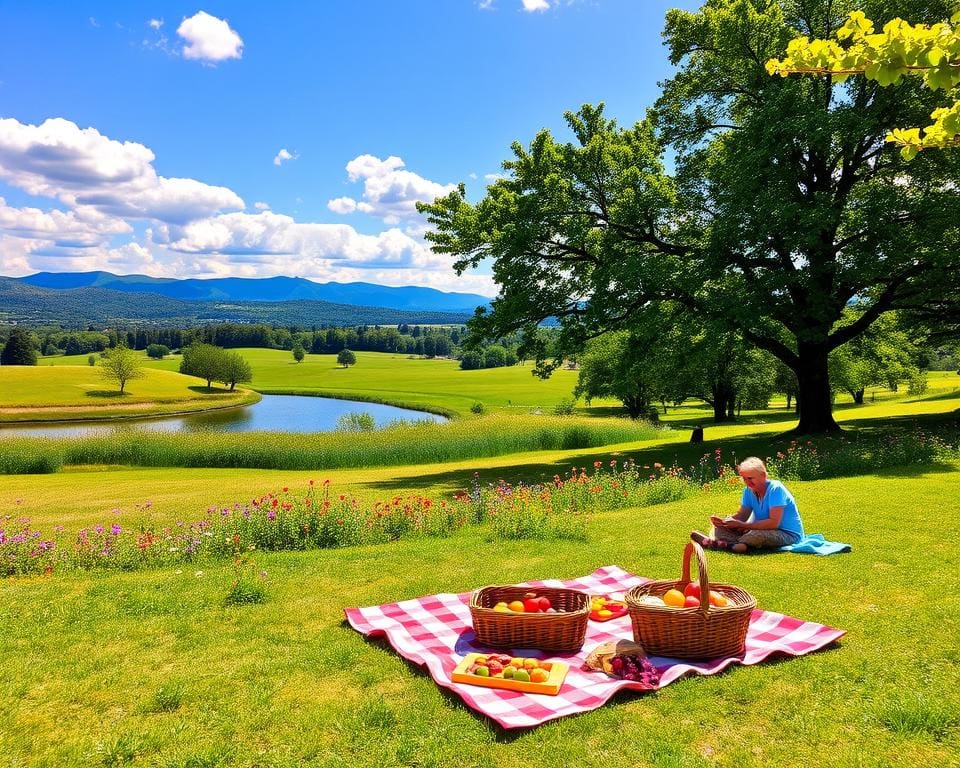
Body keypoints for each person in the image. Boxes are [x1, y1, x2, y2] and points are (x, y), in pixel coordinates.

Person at [691, 456, 804, 554]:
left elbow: (773, 523)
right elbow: (742, 515)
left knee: (756, 535)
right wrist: (724, 522)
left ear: (763, 475)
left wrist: (743, 525)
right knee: (719, 528)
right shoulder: (748, 490)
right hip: (757, 529)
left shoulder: (776, 489)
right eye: (744, 479)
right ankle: (736, 545)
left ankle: (724, 544)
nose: (747, 482)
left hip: (787, 534)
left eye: (750, 478)